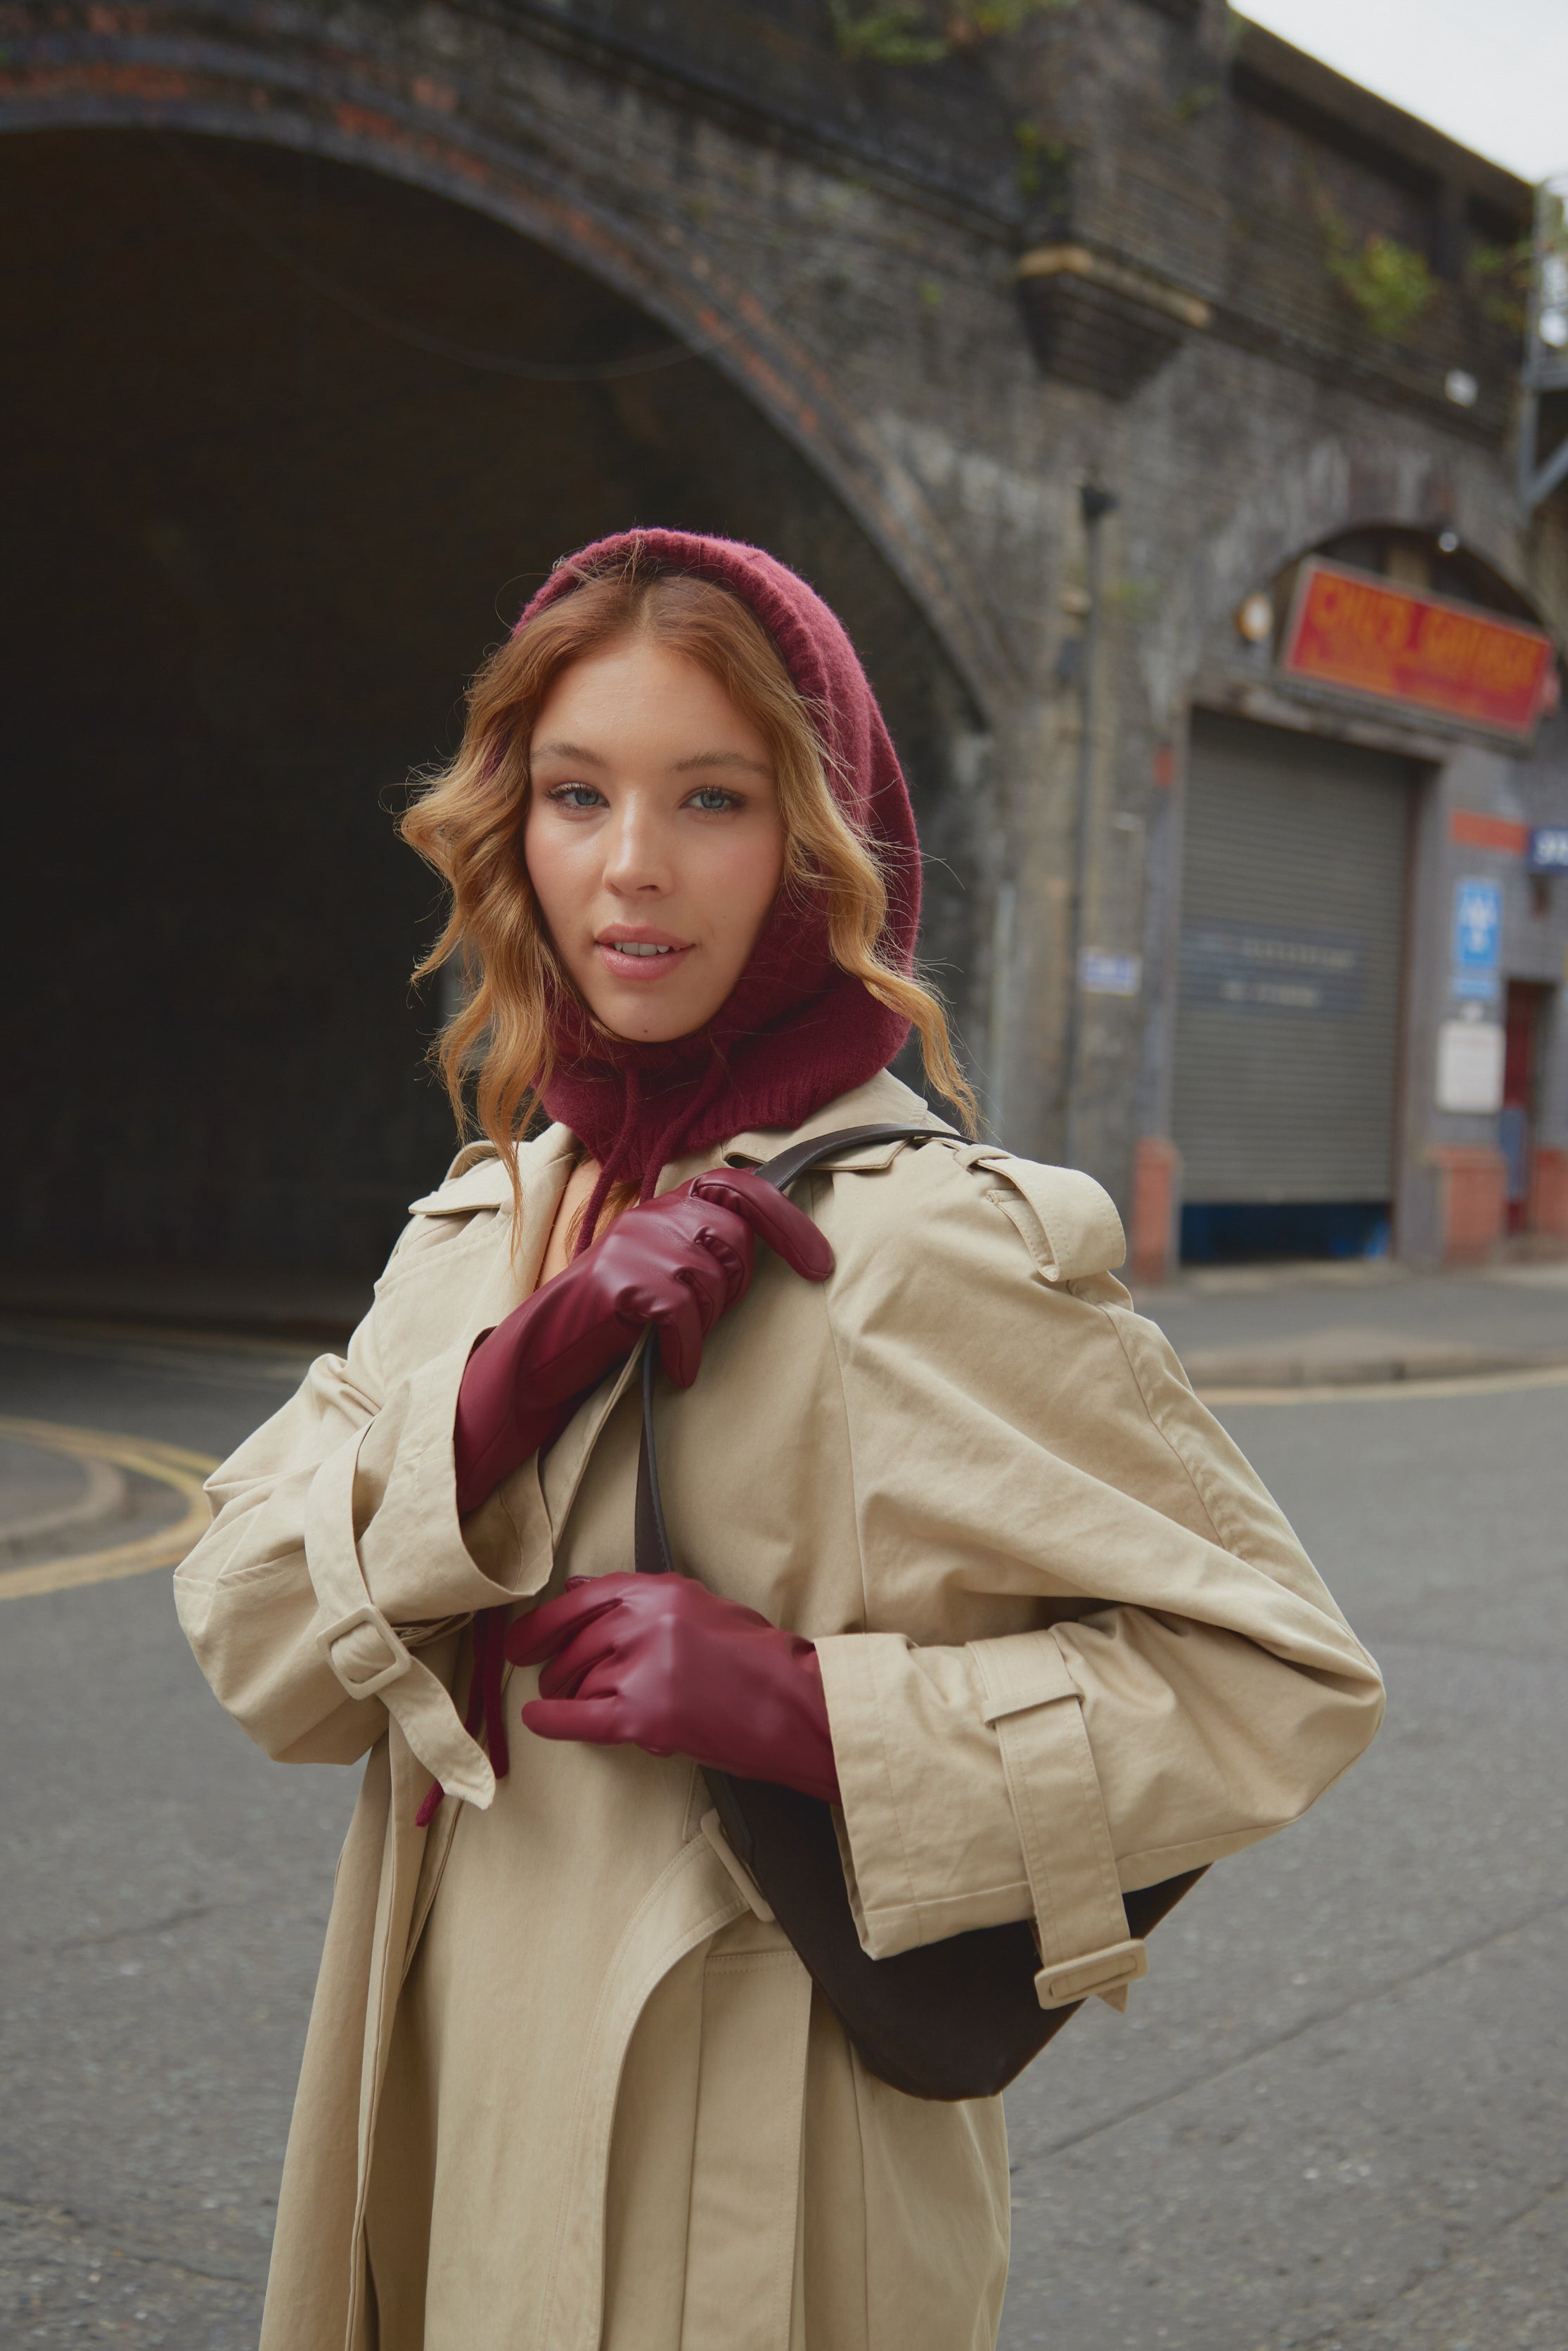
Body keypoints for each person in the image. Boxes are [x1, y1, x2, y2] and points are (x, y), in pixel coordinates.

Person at [175, 529, 1384, 2351]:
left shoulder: (924, 1239)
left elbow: (1281, 1683)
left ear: (816, 845)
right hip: (432, 2098)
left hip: (744, 2164)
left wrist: (806, 1712)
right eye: (577, 793)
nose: (631, 869)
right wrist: (523, 1375)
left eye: (713, 798)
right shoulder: (479, 1228)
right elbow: (258, 1650)